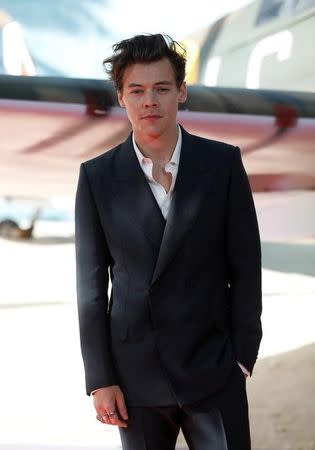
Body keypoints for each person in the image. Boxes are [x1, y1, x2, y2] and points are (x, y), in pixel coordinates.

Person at [75, 33, 262, 450]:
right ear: (121, 98)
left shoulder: (223, 163)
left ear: (181, 91)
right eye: (136, 91)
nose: (149, 102)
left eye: (161, 89)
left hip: (213, 369)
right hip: (135, 378)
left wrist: (242, 355)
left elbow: (246, 266)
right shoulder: (96, 177)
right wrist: (100, 378)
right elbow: (90, 290)